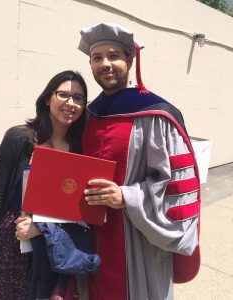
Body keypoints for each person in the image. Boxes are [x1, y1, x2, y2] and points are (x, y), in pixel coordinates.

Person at [78, 22, 201, 300]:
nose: (105, 64)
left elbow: (176, 184)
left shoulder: (157, 114)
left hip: (139, 236)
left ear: (130, 60)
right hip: (92, 234)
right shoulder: (88, 115)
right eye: (97, 58)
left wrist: (127, 196)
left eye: (114, 56)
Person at [0, 70, 88, 300]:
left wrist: (41, 228)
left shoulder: (80, 149)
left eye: (78, 98)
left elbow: (78, 213)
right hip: (12, 246)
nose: (70, 103)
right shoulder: (19, 139)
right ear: (47, 98)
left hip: (55, 248)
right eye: (63, 94)